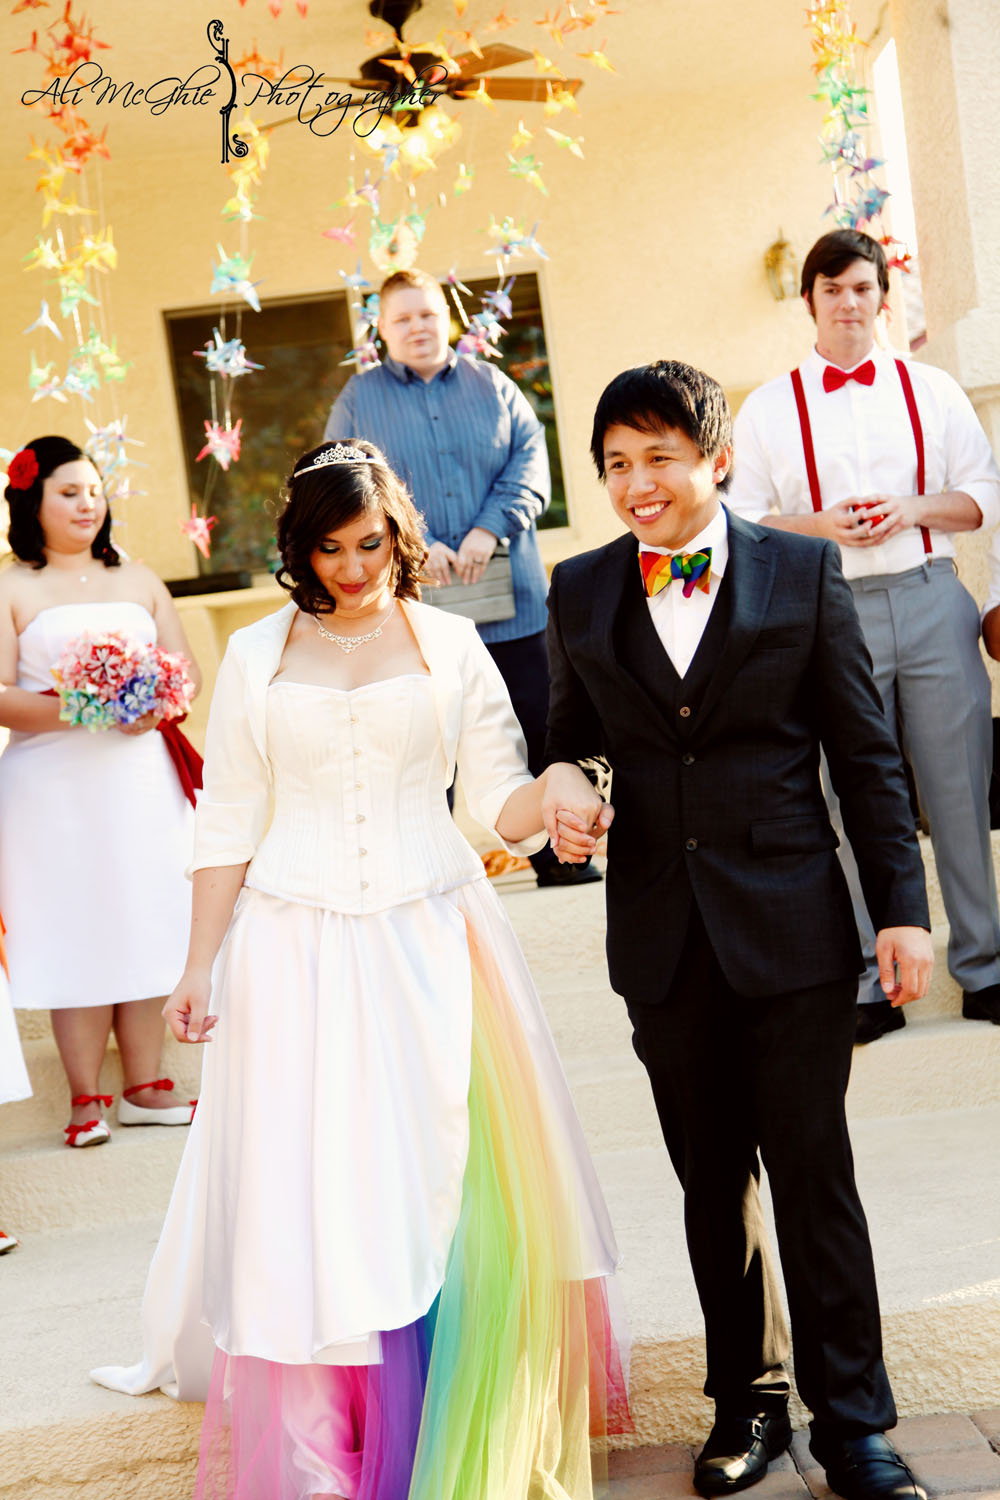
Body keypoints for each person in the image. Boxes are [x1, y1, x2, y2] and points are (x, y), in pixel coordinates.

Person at [91, 439, 629, 1499]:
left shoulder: (449, 643)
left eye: (369, 544)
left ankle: (452, 1406)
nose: (350, 568)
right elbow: (227, 817)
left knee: (440, 1170)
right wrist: (197, 965)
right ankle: (319, 1433)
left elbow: (498, 800)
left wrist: (565, 789)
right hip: (292, 942)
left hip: (432, 932)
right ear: (301, 549)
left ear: (399, 537)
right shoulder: (255, 653)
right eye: (329, 548)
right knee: (316, 1183)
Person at [545, 361, 933, 1500]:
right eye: (617, 465)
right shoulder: (579, 589)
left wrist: (900, 909)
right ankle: (746, 1407)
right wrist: (571, 789)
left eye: (659, 458)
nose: (637, 484)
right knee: (710, 1183)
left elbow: (863, 752)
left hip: (792, 927)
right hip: (661, 938)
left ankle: (854, 1426)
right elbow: (573, 741)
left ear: (714, 459)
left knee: (814, 1175)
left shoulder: (800, 572)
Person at [727, 228, 1000, 1044]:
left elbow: (984, 491)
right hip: (831, 613)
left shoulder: (932, 389)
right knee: (849, 796)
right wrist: (821, 525)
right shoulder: (769, 407)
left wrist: (912, 508)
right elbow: (739, 521)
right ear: (808, 299)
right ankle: (872, 983)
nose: (848, 303)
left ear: (884, 298)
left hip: (931, 597)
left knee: (959, 788)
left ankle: (984, 966)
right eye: (833, 289)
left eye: (862, 288)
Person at [324, 267, 599, 888]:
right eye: (402, 318)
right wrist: (412, 544)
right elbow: (343, 488)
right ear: (381, 327)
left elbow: (532, 464)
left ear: (446, 316)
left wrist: (488, 529)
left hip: (513, 603)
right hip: (417, 609)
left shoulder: (495, 385)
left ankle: (561, 859)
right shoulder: (358, 400)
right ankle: (422, 874)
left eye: (427, 314)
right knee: (424, 738)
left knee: (537, 726)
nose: (417, 327)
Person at [0, 437, 201, 1146]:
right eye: (69, 492)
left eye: (94, 490)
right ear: (33, 502)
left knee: (147, 914)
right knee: (77, 923)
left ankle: (145, 1085)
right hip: (52, 790)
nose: (88, 504)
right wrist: (88, 705)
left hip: (141, 780)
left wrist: (158, 702)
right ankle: (85, 1096)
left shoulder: (140, 578)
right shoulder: (12, 586)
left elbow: (185, 669)